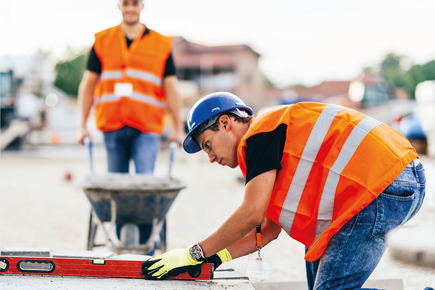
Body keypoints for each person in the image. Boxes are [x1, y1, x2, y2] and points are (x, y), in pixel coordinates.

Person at [141, 92, 429, 290]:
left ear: (226, 124)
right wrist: (215, 257)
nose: (211, 158)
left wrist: (195, 252)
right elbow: (266, 229)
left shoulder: (260, 133)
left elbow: (251, 214)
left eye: (207, 145)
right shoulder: (268, 149)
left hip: (382, 183)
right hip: (386, 181)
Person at [77, 0, 183, 247]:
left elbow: (171, 88)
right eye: (126, 3)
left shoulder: (160, 44)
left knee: (145, 185)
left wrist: (178, 128)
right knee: (117, 189)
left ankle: (145, 245)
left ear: (142, 5)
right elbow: (89, 84)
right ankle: (120, 244)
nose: (130, 8)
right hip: (112, 126)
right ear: (119, 6)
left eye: (135, 4)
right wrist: (83, 125)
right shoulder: (103, 41)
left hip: (146, 127)